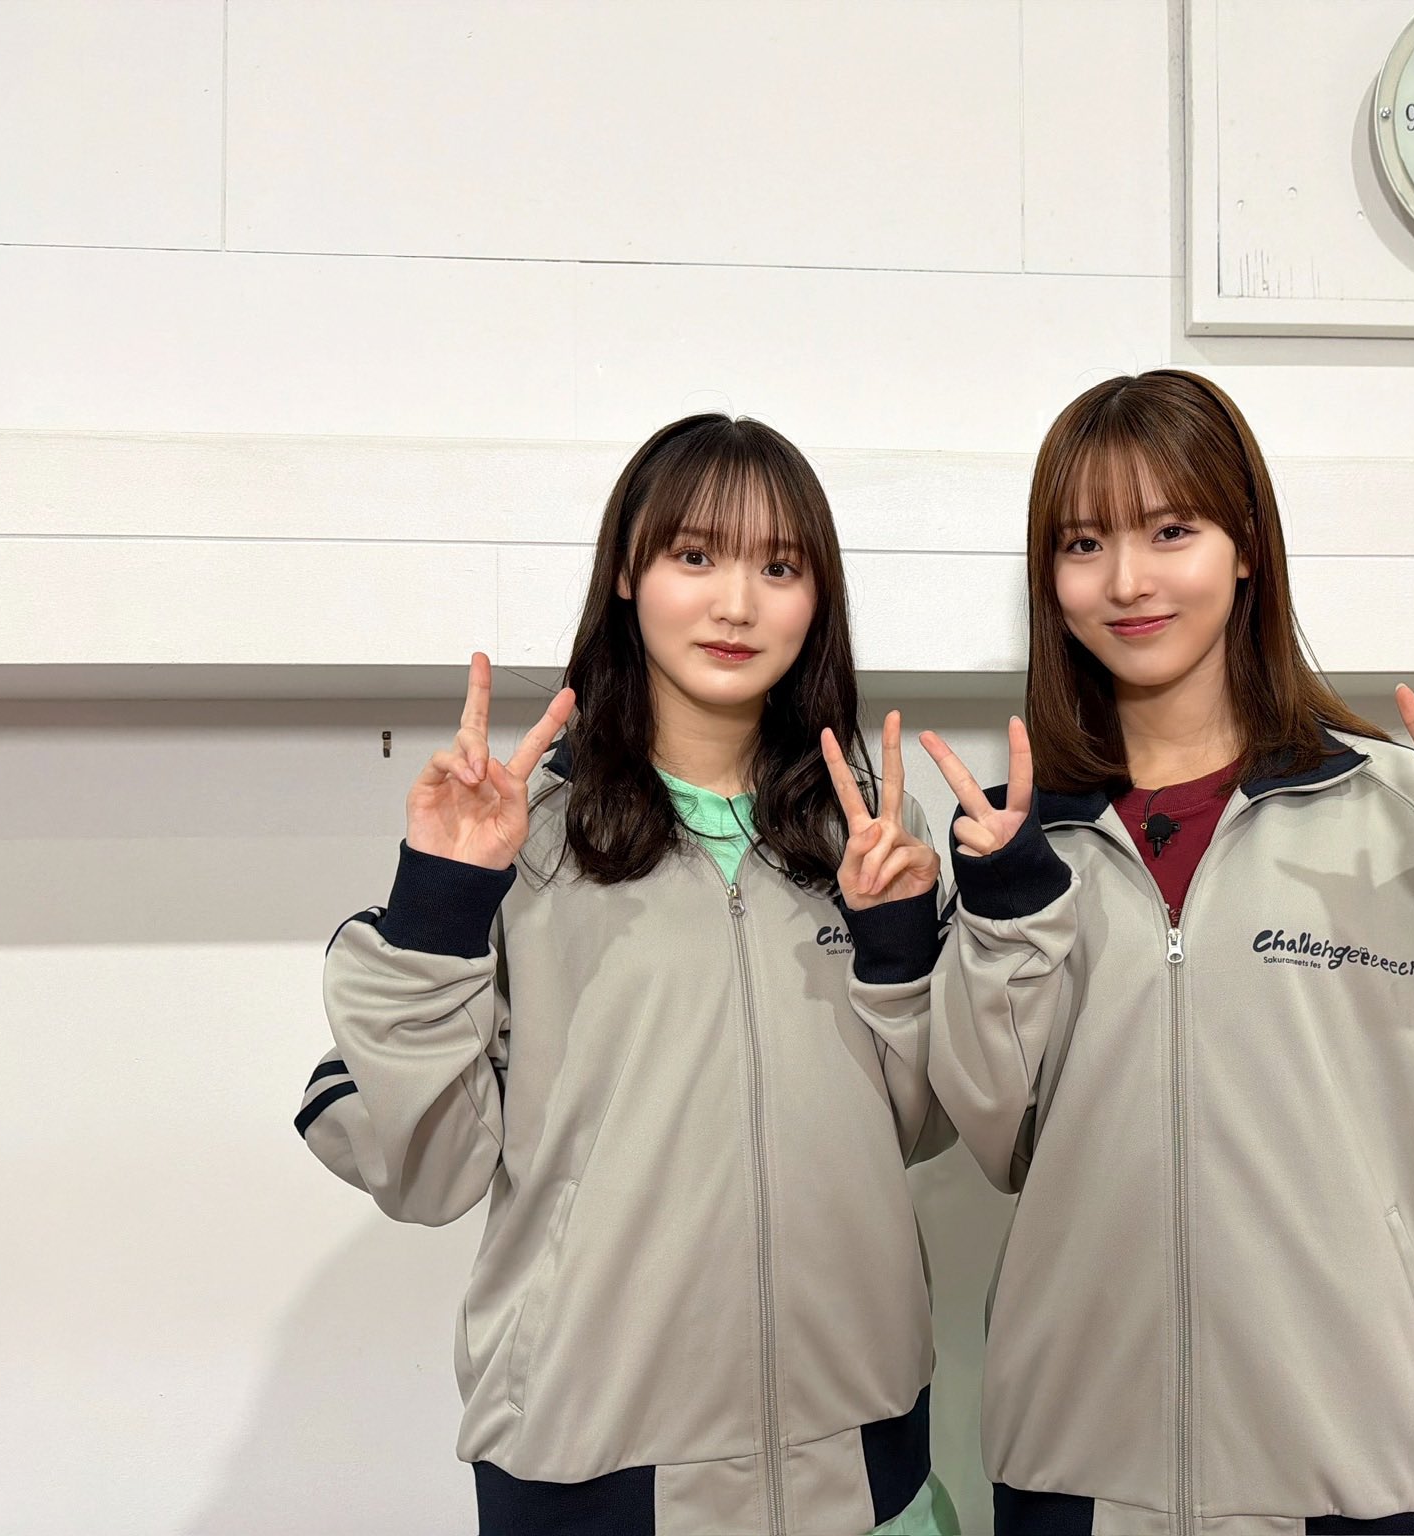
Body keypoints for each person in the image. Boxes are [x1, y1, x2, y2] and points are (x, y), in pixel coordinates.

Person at [919, 370, 1414, 1534]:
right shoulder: (1023, 840)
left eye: (1169, 531)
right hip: (1078, 1471)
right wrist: (1000, 909)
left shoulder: (1398, 806)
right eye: (1084, 543)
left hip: (1357, 1462)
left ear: (1245, 546)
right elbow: (996, 1131)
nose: (1126, 581)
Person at [294, 413, 959, 1535]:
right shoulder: (522, 837)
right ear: (625, 574)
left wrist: (898, 944)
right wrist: (439, 901)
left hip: (861, 1460)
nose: (736, 604)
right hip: (595, 1471)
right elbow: (426, 1172)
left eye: (778, 567)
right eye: (694, 556)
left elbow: (922, 1126)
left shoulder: (863, 832)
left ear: (818, 598)